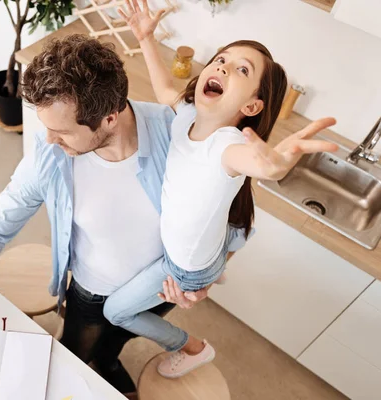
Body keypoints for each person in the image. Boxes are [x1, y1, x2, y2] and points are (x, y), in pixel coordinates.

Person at [0, 34, 211, 396]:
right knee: (77, 353)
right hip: (91, 293)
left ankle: (109, 360)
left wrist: (206, 275)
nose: (49, 140)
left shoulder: (180, 138)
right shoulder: (50, 155)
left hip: (158, 291)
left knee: (120, 338)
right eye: (45, 125)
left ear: (109, 118)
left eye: (62, 131)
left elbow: (232, 219)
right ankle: (102, 361)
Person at [102, 0, 339, 379]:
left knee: (115, 311)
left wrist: (274, 165)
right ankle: (226, 251)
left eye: (241, 69)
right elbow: (164, 90)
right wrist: (146, 38)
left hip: (185, 266)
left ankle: (192, 347)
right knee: (227, 232)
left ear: (252, 105)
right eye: (221, 60)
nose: (223, 66)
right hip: (207, 242)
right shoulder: (189, 116)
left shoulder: (226, 147)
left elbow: (256, 163)